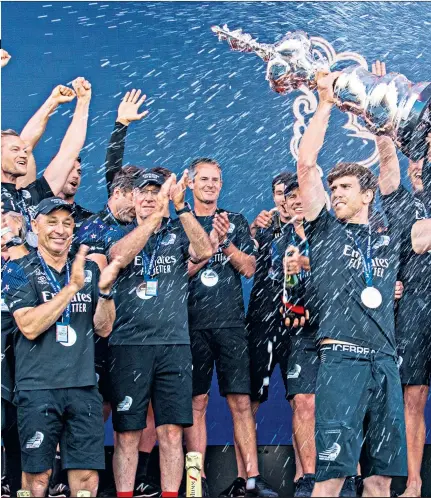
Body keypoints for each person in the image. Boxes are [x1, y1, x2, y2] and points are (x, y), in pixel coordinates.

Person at [296, 70, 406, 498]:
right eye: (333, 187)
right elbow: (306, 166)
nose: (336, 193)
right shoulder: (324, 229)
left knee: (380, 480)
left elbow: (393, 175)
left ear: (367, 195)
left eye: (345, 187)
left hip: (384, 363)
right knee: (331, 480)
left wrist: (381, 128)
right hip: (341, 361)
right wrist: (324, 102)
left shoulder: (389, 234)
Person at [2, 197, 121, 497]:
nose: (60, 229)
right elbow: (28, 326)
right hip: (38, 389)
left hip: (83, 388)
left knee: (86, 481)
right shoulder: (17, 270)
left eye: (67, 224)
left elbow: (104, 327)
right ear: (36, 225)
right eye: (52, 222)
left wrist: (105, 294)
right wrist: (70, 290)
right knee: (37, 479)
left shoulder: (88, 271)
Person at [108, 170, 213, 498]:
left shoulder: (177, 230)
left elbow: (205, 251)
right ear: (133, 197)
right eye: (144, 192)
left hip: (174, 345)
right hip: (129, 345)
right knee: (127, 432)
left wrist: (181, 209)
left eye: (157, 192)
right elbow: (119, 256)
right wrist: (150, 223)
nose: (150, 198)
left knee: (171, 432)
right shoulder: (117, 229)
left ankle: (170, 494)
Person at [76, 89, 159, 498]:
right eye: (134, 194)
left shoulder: (142, 230)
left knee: (140, 410)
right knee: (98, 408)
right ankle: (80, 477)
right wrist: (121, 126)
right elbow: (113, 167)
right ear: (119, 193)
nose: (141, 202)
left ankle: (140, 476)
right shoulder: (92, 227)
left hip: (138, 335)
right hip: (98, 336)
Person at [184, 157, 278, 498]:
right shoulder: (179, 221)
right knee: (196, 403)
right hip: (191, 325)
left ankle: (250, 480)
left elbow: (250, 269)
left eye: (216, 180)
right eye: (204, 179)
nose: (210, 184)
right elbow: (181, 274)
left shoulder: (234, 220)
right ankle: (196, 483)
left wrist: (225, 243)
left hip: (231, 325)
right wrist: (206, 245)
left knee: (241, 401)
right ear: (191, 184)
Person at [239, 172, 317, 498]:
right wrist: (255, 232)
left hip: (300, 330)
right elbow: (247, 263)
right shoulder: (269, 233)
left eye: (297, 194)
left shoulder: (318, 232)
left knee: (303, 401)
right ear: (278, 198)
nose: (289, 200)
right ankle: (249, 479)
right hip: (262, 324)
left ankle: (304, 478)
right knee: (249, 401)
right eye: (283, 194)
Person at [376, 60, 431, 498]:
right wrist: (377, 105)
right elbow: (418, 241)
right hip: (415, 308)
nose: (421, 171)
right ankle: (412, 485)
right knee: (413, 398)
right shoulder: (402, 206)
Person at [1, 77, 92, 246]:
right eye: (15, 150)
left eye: (24, 151)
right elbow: (27, 140)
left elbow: (69, 152)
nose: (23, 154)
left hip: (23, 271)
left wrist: (83, 103)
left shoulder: (29, 197)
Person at [1, 201, 29, 498]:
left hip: (20, 353)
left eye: (12, 237)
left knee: (15, 426)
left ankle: (15, 485)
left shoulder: (25, 267)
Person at [58, 157, 93, 231]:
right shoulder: (38, 210)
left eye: (79, 172)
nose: (76, 176)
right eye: (70, 170)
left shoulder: (89, 219)